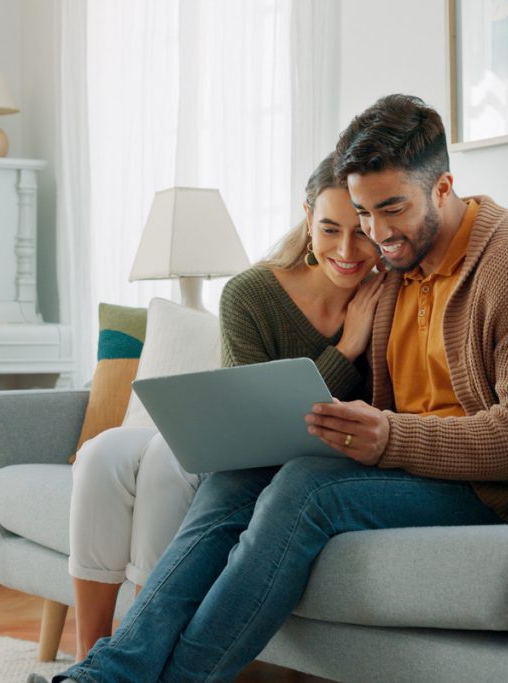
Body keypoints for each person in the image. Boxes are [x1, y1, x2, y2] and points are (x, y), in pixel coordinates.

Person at [34, 94, 508, 683]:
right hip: (405, 466)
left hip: (482, 487)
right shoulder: (397, 264)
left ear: (444, 187)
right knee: (238, 475)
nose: (375, 234)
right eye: (362, 212)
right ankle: (107, 673)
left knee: (307, 488)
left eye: (391, 210)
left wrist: (390, 437)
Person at [62, 152, 383, 660]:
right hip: (238, 442)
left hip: (286, 460)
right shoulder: (252, 292)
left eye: (361, 231)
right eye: (329, 229)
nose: (346, 249)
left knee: (168, 461)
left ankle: (145, 653)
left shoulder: (388, 298)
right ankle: (90, 655)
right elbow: (249, 418)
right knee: (101, 455)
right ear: (307, 220)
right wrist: (345, 351)